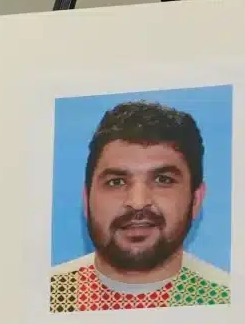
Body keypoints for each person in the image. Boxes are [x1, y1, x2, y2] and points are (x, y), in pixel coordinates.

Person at [49, 99, 231, 312]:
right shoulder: (42, 297)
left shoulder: (230, 301)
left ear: (196, 199)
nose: (137, 202)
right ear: (86, 198)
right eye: (116, 182)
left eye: (163, 180)